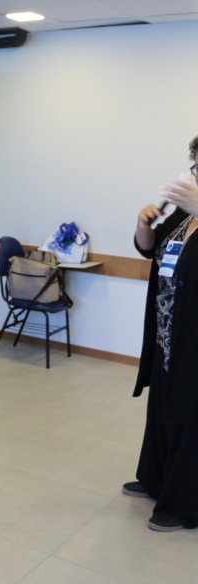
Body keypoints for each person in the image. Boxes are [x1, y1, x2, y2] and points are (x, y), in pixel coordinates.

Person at [124, 134, 198, 532]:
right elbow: (149, 249)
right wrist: (142, 225)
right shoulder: (185, 213)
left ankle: (183, 506)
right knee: (163, 406)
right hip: (169, 332)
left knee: (191, 416)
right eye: (196, 165)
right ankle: (155, 479)